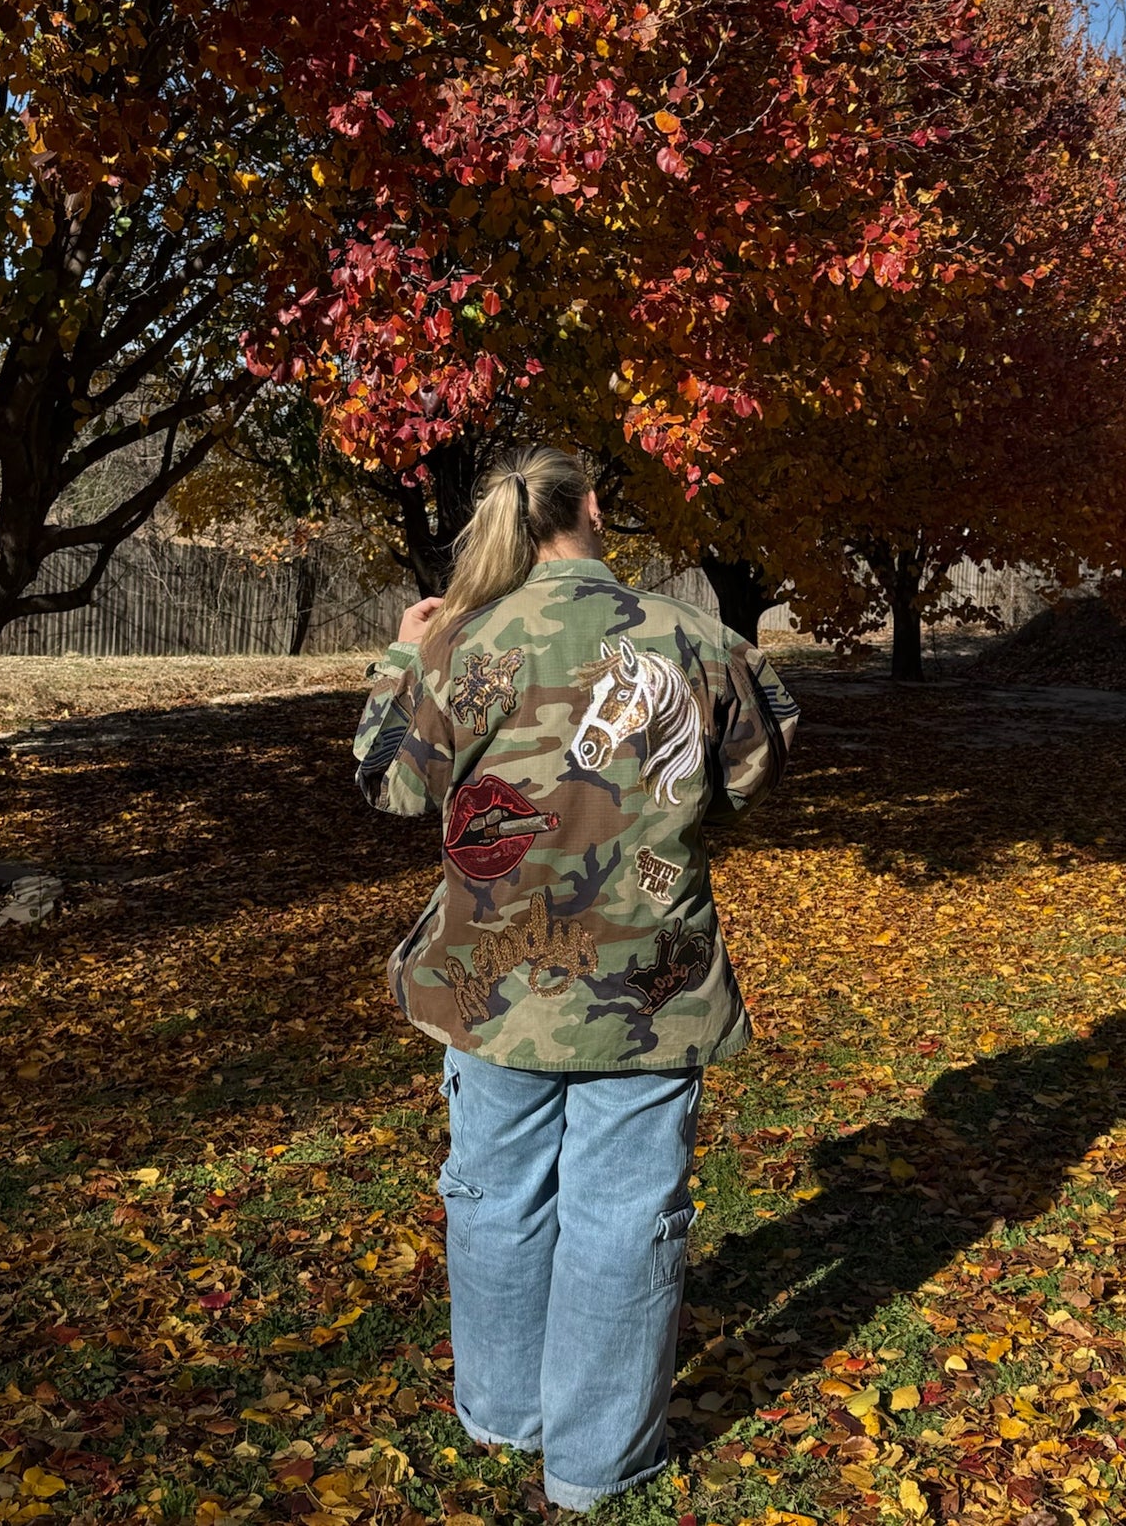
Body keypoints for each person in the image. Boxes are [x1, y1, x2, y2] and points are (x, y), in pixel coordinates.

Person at [353, 446, 797, 1511]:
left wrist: (399, 660)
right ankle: (595, 1462)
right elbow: (757, 766)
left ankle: (505, 1414)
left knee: (493, 1193)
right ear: (594, 511)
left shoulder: (459, 641)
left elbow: (388, 784)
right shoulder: (697, 638)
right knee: (621, 1210)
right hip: (645, 982)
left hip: (486, 982)